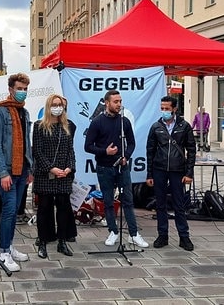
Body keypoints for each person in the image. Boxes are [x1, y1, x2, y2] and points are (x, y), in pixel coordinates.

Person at [84, 90, 149, 248]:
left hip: (122, 166)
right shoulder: (97, 122)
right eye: (115, 102)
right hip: (104, 167)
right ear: (107, 103)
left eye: (120, 101)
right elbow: (88, 146)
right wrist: (104, 151)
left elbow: (132, 143)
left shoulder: (124, 121)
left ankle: (133, 234)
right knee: (108, 201)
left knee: (128, 200)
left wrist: (126, 155)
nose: (119, 104)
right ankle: (113, 231)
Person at [0, 72, 33, 272]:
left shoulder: (25, 112)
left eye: (25, 89)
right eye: (19, 89)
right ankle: (3, 252)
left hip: (22, 170)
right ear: (10, 89)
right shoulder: (0, 111)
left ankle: (10, 246)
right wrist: (3, 173)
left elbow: (27, 143)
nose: (22, 92)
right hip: (7, 170)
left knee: (15, 212)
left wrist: (30, 169)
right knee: (9, 210)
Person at [146, 96, 196, 251]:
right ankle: (162, 235)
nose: (164, 111)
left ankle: (184, 236)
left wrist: (189, 173)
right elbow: (150, 151)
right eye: (162, 108)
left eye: (167, 108)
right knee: (160, 204)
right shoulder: (156, 127)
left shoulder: (184, 126)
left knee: (179, 204)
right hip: (159, 169)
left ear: (174, 109)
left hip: (177, 170)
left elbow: (191, 151)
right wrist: (149, 174)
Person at [32, 94, 77, 258]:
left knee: (63, 208)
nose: (58, 107)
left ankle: (62, 242)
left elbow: (70, 150)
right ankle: (43, 241)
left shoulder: (67, 126)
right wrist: (51, 168)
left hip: (63, 176)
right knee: (44, 209)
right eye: (55, 104)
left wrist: (69, 167)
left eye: (60, 105)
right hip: (46, 175)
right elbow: (37, 151)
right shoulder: (39, 126)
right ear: (49, 106)